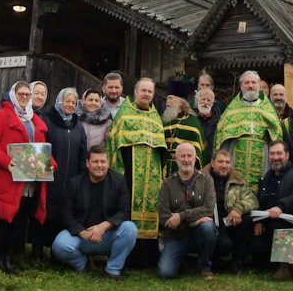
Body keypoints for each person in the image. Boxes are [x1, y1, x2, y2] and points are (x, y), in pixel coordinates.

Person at [0, 81, 50, 273]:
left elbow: (41, 148)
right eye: (21, 94)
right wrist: (6, 162)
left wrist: (50, 162)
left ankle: (8, 258)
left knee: (19, 219)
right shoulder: (0, 116)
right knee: (3, 220)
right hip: (5, 178)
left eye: (27, 95)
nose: (24, 98)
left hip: (28, 180)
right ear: (12, 95)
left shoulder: (34, 120)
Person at [52, 143, 138, 280]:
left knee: (130, 229)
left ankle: (112, 270)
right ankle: (83, 264)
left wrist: (103, 227)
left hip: (108, 235)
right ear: (87, 163)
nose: (99, 165)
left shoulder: (119, 181)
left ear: (108, 163)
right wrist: (83, 233)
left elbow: (124, 212)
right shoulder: (75, 183)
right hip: (82, 236)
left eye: (103, 161)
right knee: (59, 245)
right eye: (95, 161)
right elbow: (67, 215)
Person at [106, 76, 167, 259]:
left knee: (151, 209)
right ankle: (129, 256)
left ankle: (148, 256)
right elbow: (114, 143)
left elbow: (162, 149)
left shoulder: (156, 118)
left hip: (152, 175)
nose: (147, 94)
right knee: (128, 209)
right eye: (143, 90)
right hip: (129, 173)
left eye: (150, 91)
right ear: (135, 92)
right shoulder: (125, 114)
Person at [39, 87, 87, 264]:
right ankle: (38, 250)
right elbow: (43, 148)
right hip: (52, 177)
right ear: (60, 101)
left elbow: (83, 152)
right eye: (67, 101)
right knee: (47, 213)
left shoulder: (78, 126)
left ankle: (56, 254)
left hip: (72, 179)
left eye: (73, 103)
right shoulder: (48, 121)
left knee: (64, 213)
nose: (70, 105)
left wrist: (82, 176)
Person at [156, 142, 218, 279]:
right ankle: (183, 260)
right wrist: (194, 221)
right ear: (176, 159)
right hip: (176, 236)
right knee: (165, 273)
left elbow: (208, 209)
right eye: (182, 156)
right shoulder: (167, 184)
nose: (186, 159)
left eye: (189, 156)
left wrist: (181, 216)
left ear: (195, 158)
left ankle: (205, 268)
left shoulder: (206, 180)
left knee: (208, 227)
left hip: (198, 234)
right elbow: (164, 218)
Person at [216, 70, 283, 188]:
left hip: (261, 157)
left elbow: (276, 137)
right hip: (236, 155)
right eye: (246, 83)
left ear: (258, 86)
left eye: (253, 82)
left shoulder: (267, 109)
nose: (250, 85)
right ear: (241, 86)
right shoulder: (231, 110)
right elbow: (221, 136)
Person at [252, 140, 293, 274]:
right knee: (252, 234)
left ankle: (286, 264)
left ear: (287, 155)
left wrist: (281, 207)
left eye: (279, 153)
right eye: (272, 154)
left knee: (275, 227)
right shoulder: (267, 177)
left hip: (290, 222)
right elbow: (261, 201)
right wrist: (259, 221)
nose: (275, 157)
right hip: (268, 219)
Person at [209, 149, 257, 273]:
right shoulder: (203, 180)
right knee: (223, 244)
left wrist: (238, 209)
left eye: (227, 162)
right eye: (220, 162)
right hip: (211, 225)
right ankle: (212, 261)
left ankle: (237, 262)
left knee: (247, 220)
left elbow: (252, 199)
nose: (224, 165)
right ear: (212, 163)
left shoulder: (237, 181)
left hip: (230, 222)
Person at [162, 79, 206, 174]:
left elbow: (197, 155)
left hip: (184, 171)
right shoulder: (165, 122)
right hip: (164, 171)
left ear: (181, 102)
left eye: (171, 98)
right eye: (167, 98)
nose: (167, 101)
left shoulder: (192, 122)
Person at [78, 87, 112, 152]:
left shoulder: (107, 121)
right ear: (84, 101)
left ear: (100, 103)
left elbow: (108, 145)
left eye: (96, 100)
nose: (93, 103)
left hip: (96, 159)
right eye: (90, 100)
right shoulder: (75, 118)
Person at [195, 87, 220, 160]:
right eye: (203, 99)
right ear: (197, 101)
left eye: (209, 100)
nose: (205, 103)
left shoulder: (219, 120)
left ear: (212, 103)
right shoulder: (191, 119)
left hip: (212, 158)